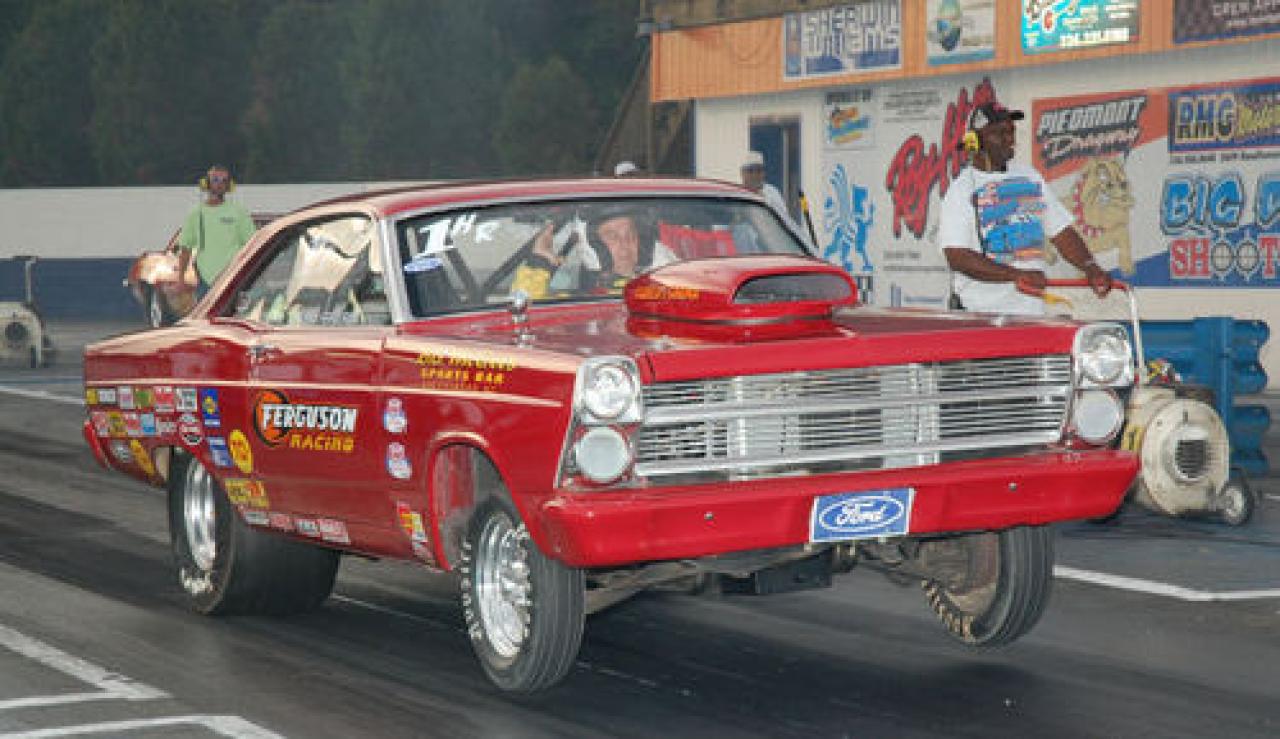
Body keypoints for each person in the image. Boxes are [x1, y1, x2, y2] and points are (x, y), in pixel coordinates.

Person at [939, 102, 1111, 314]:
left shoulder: (1029, 176)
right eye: (1000, 133)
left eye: (1011, 132)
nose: (1010, 140)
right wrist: (1016, 275)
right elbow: (957, 256)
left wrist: (1090, 267)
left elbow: (1062, 232)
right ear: (975, 141)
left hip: (1031, 311)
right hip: (981, 313)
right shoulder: (961, 190)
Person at [511, 205, 677, 298]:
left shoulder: (665, 292)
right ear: (591, 244)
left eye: (631, 234)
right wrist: (539, 263)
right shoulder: (575, 305)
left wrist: (669, 268)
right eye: (612, 236)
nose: (625, 243)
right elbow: (521, 310)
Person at [176, 164, 256, 296]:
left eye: (224, 181)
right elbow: (185, 248)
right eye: (215, 180)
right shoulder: (196, 214)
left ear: (229, 186)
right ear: (206, 184)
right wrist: (180, 279)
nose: (220, 184)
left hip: (233, 279)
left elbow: (252, 245)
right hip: (204, 282)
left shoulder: (239, 212)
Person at [740, 151, 790, 219]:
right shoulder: (737, 194)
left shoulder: (772, 193)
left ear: (764, 173)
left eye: (759, 171)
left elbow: (784, 218)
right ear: (742, 173)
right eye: (750, 171)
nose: (755, 175)